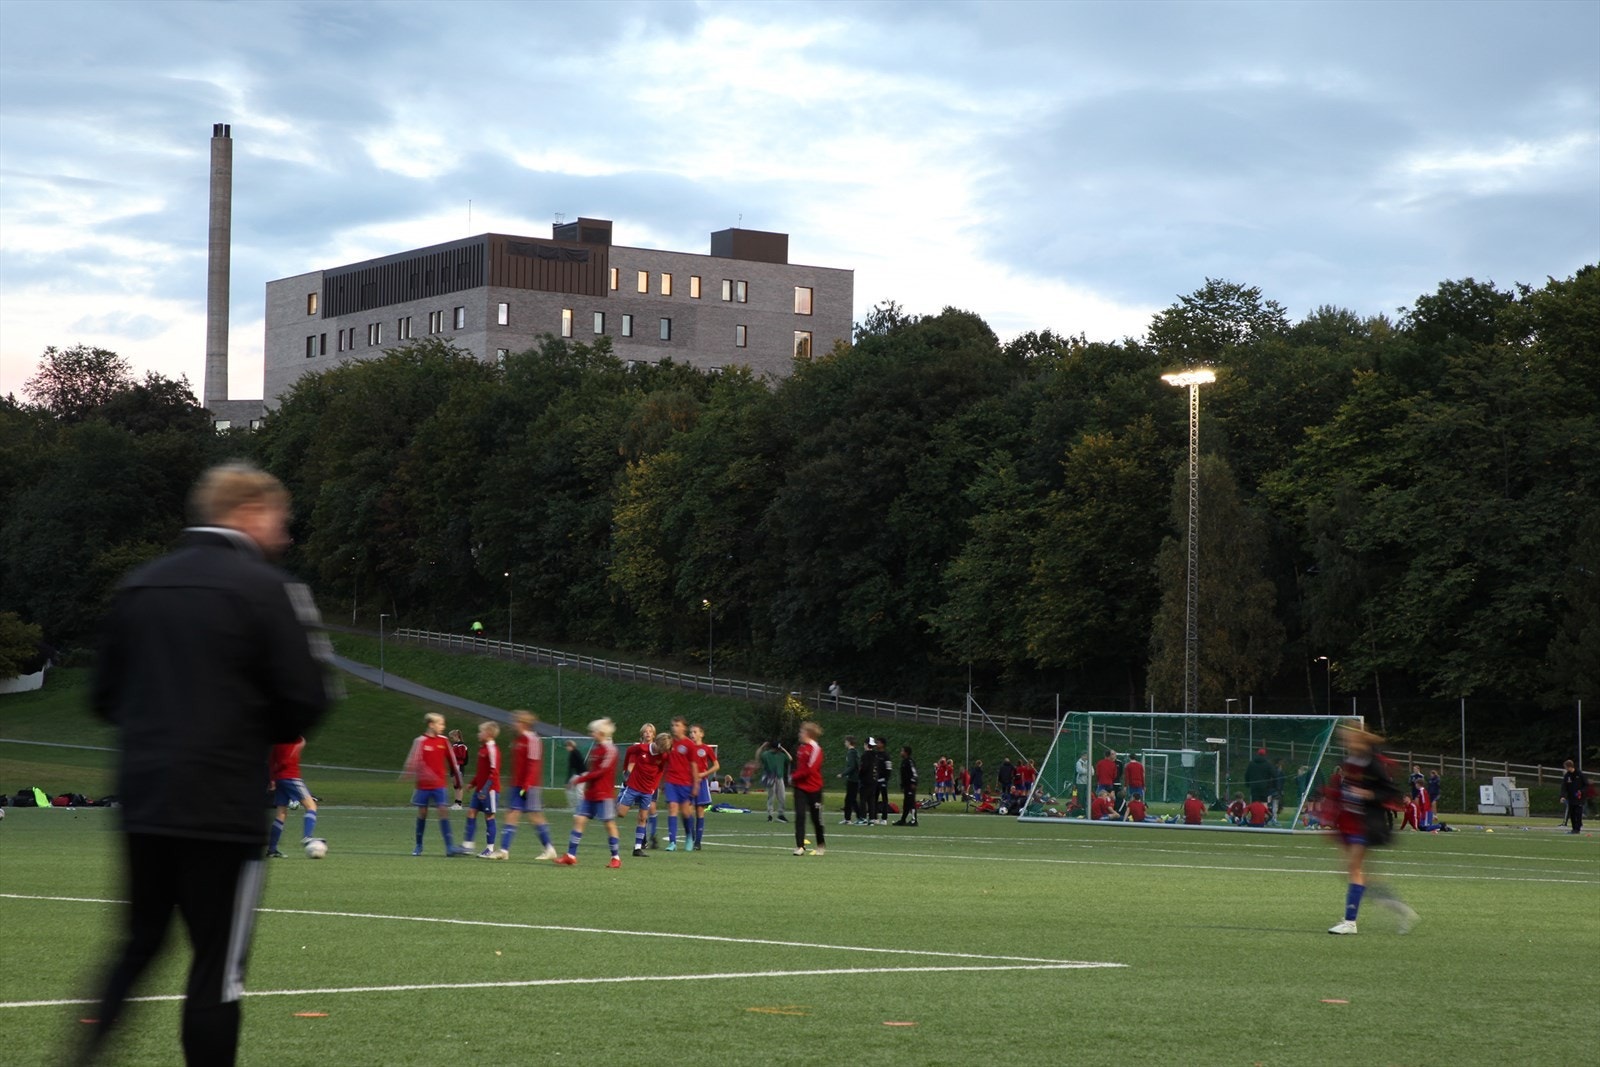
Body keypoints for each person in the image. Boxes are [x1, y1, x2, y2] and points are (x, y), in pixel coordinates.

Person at [85, 461, 332, 1066]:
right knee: (217, 968)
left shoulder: (140, 585)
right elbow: (306, 700)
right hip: (222, 805)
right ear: (248, 512)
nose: (286, 534)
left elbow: (102, 696)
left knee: (138, 945)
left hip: (145, 799)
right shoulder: (268, 588)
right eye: (281, 519)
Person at [1327, 724, 1417, 935]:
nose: (1345, 743)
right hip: (1350, 822)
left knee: (1354, 869)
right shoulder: (1350, 761)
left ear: (1359, 741)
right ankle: (1398, 907)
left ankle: (1350, 922)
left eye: (1348, 739)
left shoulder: (1372, 763)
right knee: (1352, 872)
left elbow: (1390, 791)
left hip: (1367, 824)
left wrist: (1369, 795)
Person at [491, 710, 557, 861]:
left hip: (528, 786)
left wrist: (526, 786)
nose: (513, 724)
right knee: (512, 813)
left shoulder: (532, 739)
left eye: (516, 721)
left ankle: (549, 848)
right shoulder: (518, 740)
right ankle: (504, 850)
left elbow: (533, 765)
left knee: (534, 815)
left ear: (523, 723)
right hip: (517, 785)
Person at [556, 718, 622, 868]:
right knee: (579, 820)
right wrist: (586, 785)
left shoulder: (610, 750)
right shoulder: (596, 749)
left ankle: (616, 858)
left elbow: (601, 771)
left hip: (604, 794)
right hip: (591, 794)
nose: (590, 734)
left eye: (592, 731)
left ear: (601, 732)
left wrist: (581, 779)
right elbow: (594, 771)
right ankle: (571, 855)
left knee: (609, 824)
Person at [404, 713, 469, 856]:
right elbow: (413, 761)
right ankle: (419, 845)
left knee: (443, 811)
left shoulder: (444, 741)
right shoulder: (420, 741)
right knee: (422, 812)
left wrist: (458, 778)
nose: (443, 727)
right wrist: (410, 771)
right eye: (440, 724)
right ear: (431, 725)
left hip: (439, 785)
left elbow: (452, 760)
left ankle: (449, 847)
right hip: (423, 786)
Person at [618, 725, 667, 857]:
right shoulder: (641, 748)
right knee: (621, 814)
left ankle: (638, 848)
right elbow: (629, 751)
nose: (660, 752)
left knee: (643, 817)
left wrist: (653, 786)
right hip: (633, 786)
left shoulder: (663, 755)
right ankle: (622, 792)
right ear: (655, 742)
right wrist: (625, 771)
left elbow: (661, 771)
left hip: (647, 790)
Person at [267, 736, 319, 858]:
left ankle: (272, 850)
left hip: (279, 779)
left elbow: (271, 761)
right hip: (291, 776)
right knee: (311, 806)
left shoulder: (277, 741)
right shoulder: (297, 740)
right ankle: (307, 837)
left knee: (281, 813)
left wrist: (273, 779)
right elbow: (286, 760)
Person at [462, 721, 500, 857]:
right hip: (480, 789)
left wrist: (485, 789)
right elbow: (481, 772)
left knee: (489, 816)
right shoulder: (482, 749)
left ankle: (490, 848)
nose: (479, 734)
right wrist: (472, 784)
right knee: (471, 812)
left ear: (488, 733)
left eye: (481, 731)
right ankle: (468, 844)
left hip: (489, 790)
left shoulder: (492, 749)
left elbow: (494, 772)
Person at [791, 721, 826, 855]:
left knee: (816, 818)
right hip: (800, 787)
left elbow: (810, 769)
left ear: (808, 734)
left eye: (801, 731)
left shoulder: (816, 749)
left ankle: (821, 844)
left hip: (814, 788)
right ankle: (800, 846)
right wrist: (795, 777)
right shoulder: (801, 748)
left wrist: (793, 777)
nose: (799, 734)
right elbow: (800, 767)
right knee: (800, 815)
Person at [662, 718, 695, 850]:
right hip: (671, 781)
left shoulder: (689, 744)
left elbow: (694, 765)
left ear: (684, 728)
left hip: (685, 782)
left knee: (686, 812)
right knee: (672, 807)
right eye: (672, 725)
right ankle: (672, 842)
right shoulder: (669, 742)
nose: (674, 727)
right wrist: (662, 782)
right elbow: (664, 762)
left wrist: (696, 784)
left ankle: (689, 836)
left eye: (677, 725)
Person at [688, 723, 720, 849]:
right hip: (688, 782)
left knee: (700, 811)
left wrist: (704, 773)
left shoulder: (706, 749)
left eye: (695, 732)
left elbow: (716, 765)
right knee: (688, 811)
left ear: (702, 734)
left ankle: (698, 842)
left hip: (701, 782)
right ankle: (691, 838)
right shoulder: (687, 748)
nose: (692, 734)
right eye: (690, 732)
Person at [757, 739, 792, 822]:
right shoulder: (766, 754)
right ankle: (770, 815)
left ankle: (781, 814)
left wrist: (783, 749)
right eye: (777, 748)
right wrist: (762, 746)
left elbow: (790, 759)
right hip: (770, 777)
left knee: (782, 797)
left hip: (779, 777)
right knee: (771, 797)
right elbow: (758, 756)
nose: (778, 750)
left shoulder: (781, 755)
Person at [1559, 760, 1589, 834]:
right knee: (1572, 813)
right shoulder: (1567, 775)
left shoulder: (1580, 774)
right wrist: (1562, 796)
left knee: (1578, 813)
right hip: (1571, 797)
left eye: (1566, 767)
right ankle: (1574, 829)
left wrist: (1581, 791)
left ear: (1569, 766)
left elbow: (1586, 785)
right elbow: (1564, 786)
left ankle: (1577, 829)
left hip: (1579, 798)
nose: (1565, 769)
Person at [894, 745, 919, 826]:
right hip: (906, 786)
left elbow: (914, 773)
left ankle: (914, 820)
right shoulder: (904, 762)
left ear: (906, 752)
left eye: (902, 751)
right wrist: (902, 786)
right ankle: (903, 819)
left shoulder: (910, 761)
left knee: (911, 802)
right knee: (906, 803)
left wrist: (913, 782)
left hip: (910, 786)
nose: (901, 752)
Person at [839, 735, 862, 825]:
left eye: (845, 742)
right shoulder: (856, 752)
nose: (845, 743)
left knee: (850, 799)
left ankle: (850, 818)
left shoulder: (851, 753)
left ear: (849, 742)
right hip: (856, 779)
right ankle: (856, 817)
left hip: (853, 779)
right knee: (852, 799)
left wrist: (843, 774)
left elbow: (852, 766)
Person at [447, 728, 470, 809]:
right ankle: (456, 802)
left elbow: (462, 756)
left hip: (458, 766)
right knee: (455, 785)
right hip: (453, 766)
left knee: (459, 785)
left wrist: (453, 755)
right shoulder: (454, 745)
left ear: (457, 736)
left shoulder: (462, 745)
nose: (451, 739)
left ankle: (459, 803)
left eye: (452, 737)